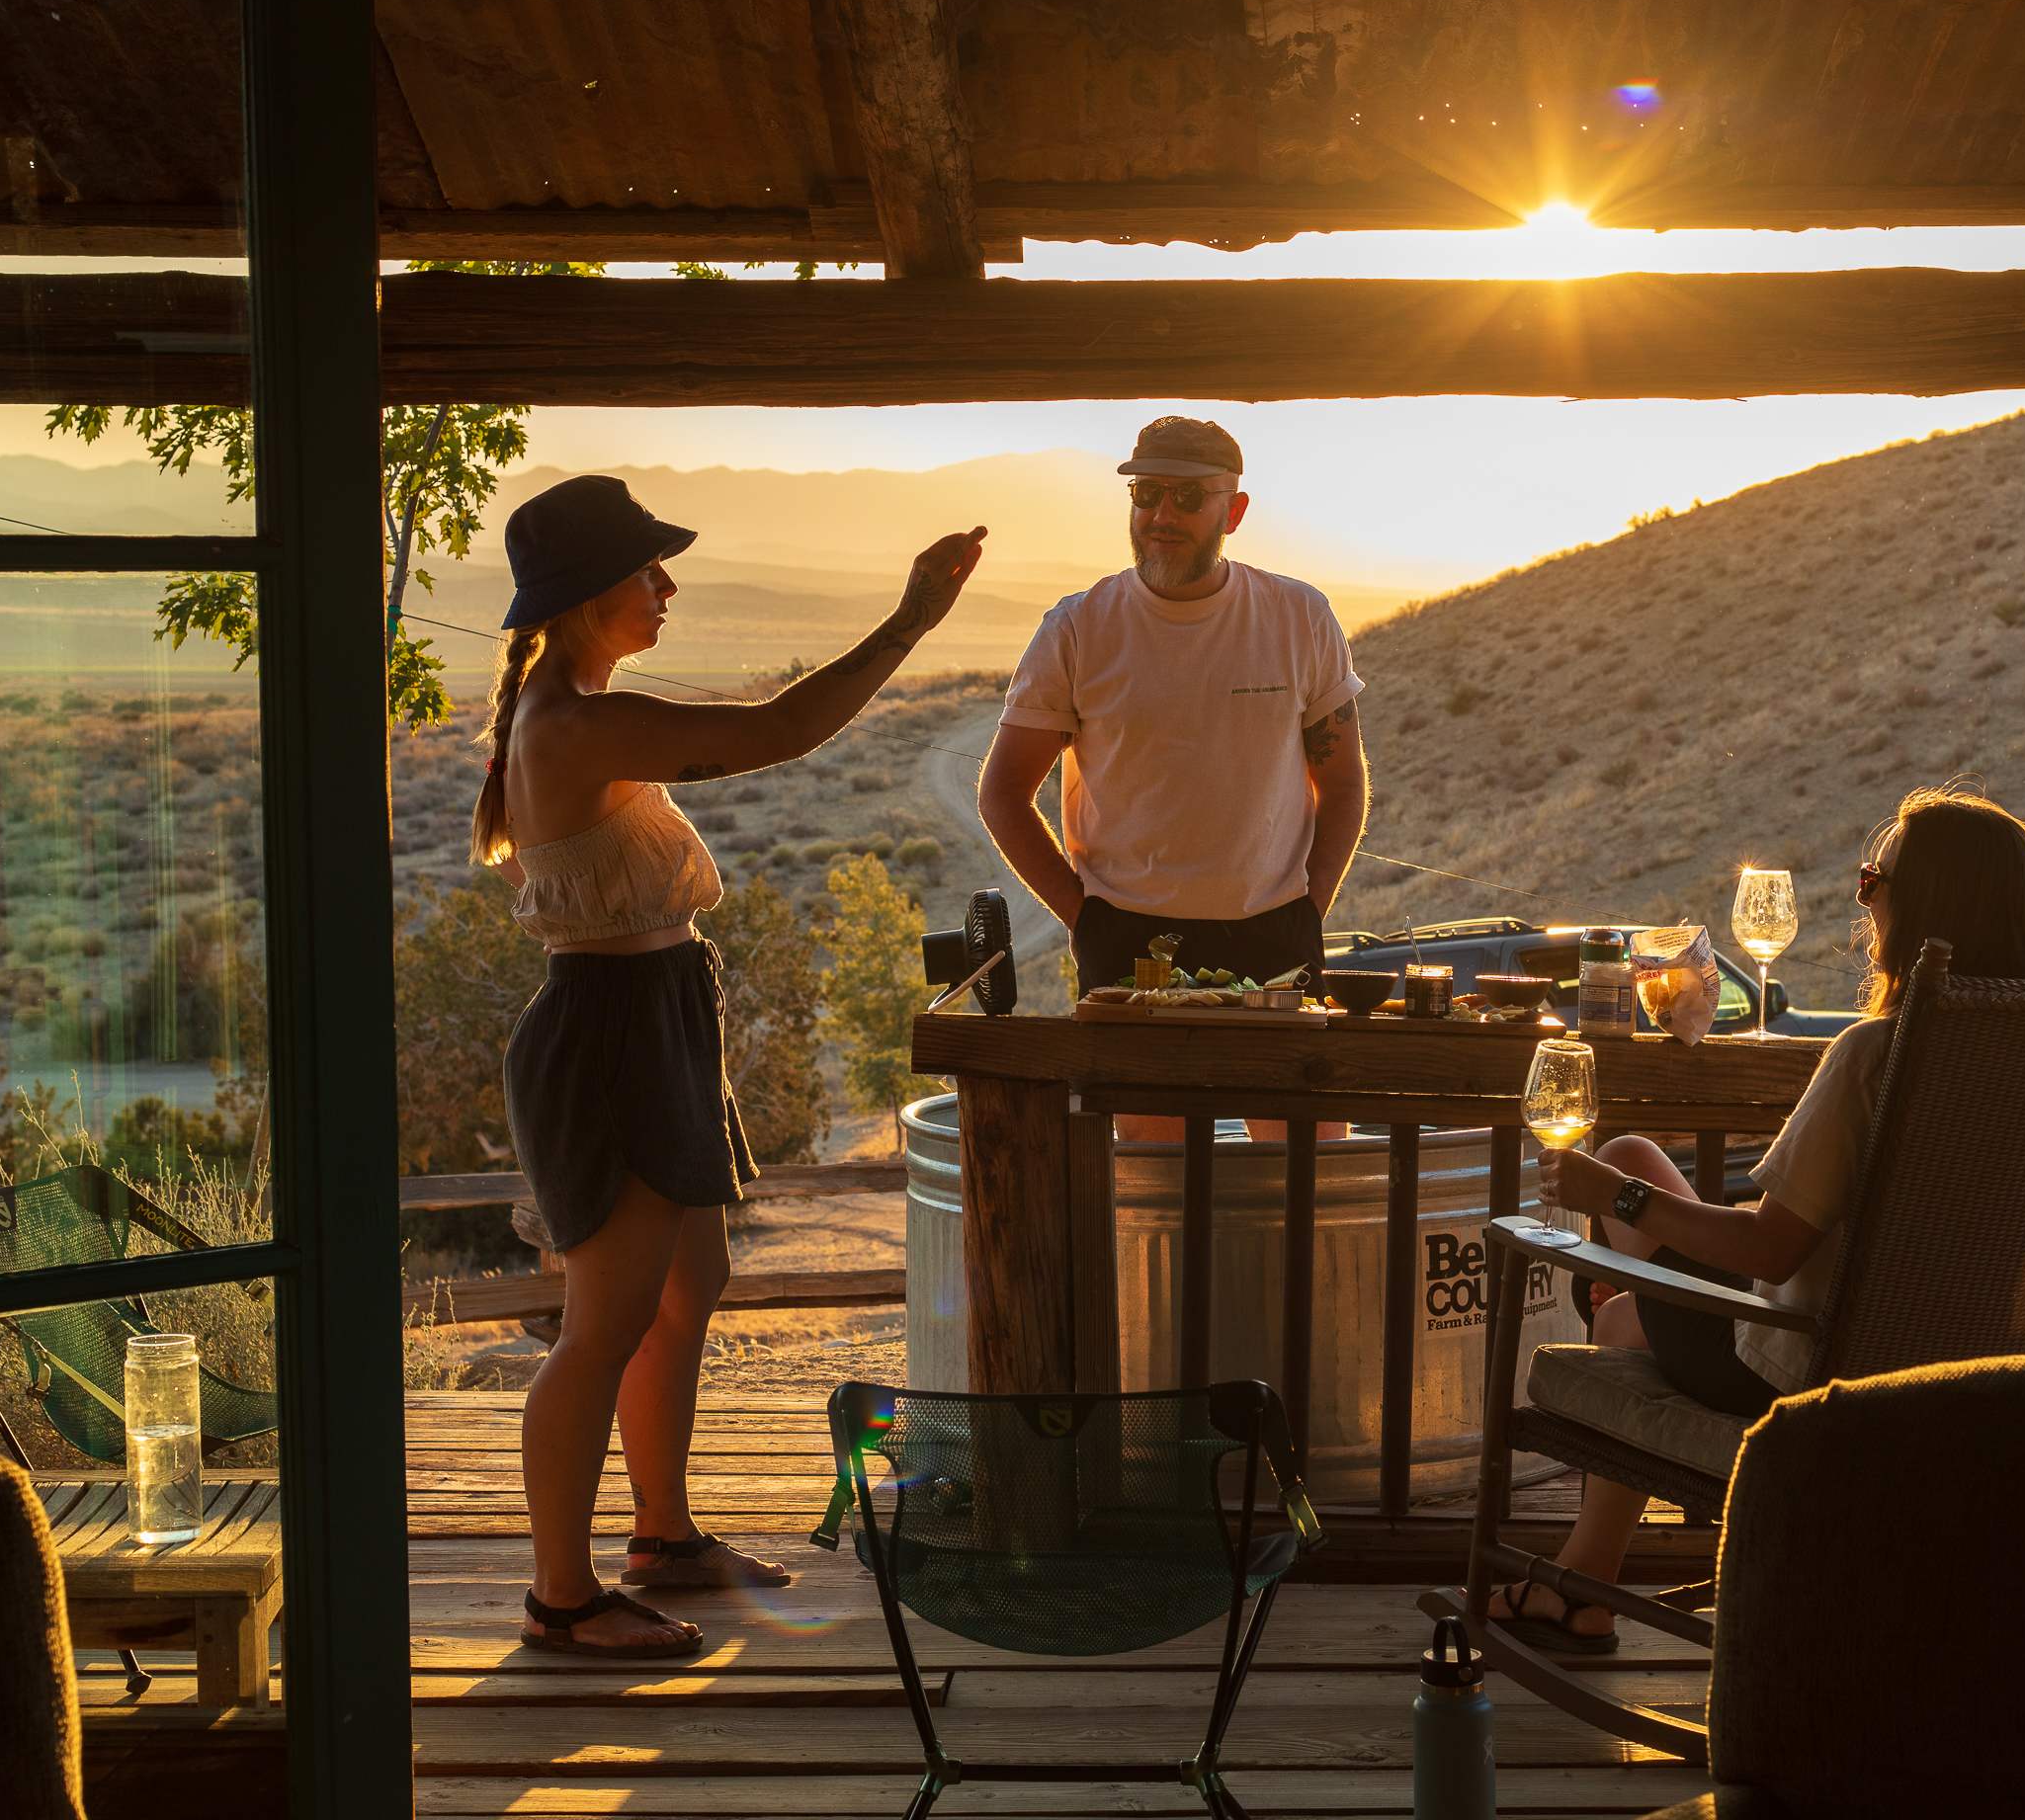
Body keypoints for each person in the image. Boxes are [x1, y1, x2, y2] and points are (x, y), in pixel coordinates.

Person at [475, 473, 984, 1658]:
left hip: (651, 1015)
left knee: (686, 1283)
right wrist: (909, 621)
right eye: (645, 570)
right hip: (608, 1030)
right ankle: (562, 1597)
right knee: (601, 1322)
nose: (667, 585)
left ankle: (662, 1535)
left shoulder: (578, 705)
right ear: (588, 594)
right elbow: (777, 732)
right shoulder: (577, 723)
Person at [1486, 786, 2025, 1654]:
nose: (1865, 901)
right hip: (1974, 1362)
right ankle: (1581, 1589)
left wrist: (1608, 1199)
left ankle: (1580, 1589)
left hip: (1811, 1365)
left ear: (1924, 904)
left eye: (1874, 880)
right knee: (1635, 1158)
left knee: (1621, 1306)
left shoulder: (1877, 1056)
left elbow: (1772, 1247)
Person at [977, 417, 1369, 1137]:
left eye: (1188, 498)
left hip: (1277, 934)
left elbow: (1342, 786)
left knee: (1306, 1171)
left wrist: (1309, 908)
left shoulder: (1299, 617)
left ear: (1234, 511)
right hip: (1129, 944)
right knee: (1156, 1181)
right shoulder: (1078, 628)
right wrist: (1087, 918)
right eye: (1147, 493)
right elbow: (1002, 794)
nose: (1161, 514)